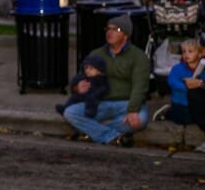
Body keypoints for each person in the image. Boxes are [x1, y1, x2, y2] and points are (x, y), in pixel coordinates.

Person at [62, 14, 150, 146]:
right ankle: (112, 136)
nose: (110, 32)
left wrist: (132, 110)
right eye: (108, 29)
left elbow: (140, 87)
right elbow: (78, 80)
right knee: (70, 112)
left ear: (126, 35)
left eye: (115, 29)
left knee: (141, 120)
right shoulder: (96, 54)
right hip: (99, 103)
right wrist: (77, 87)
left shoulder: (139, 57)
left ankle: (91, 130)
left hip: (126, 104)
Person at [154, 38, 205, 151]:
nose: (186, 54)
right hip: (181, 103)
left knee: (196, 116)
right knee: (185, 118)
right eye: (184, 51)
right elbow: (172, 82)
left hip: (197, 103)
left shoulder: (203, 68)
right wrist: (187, 87)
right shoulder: (178, 68)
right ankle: (168, 113)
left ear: (200, 53)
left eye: (190, 51)